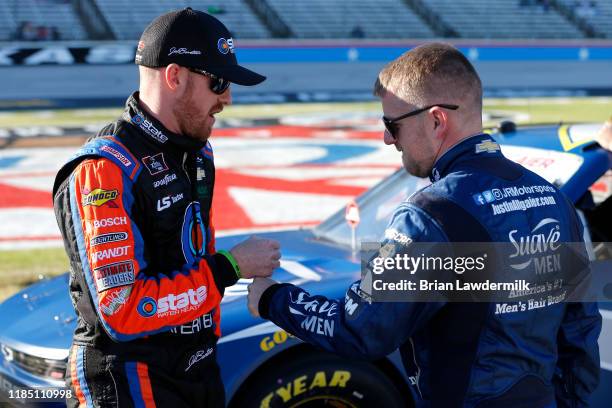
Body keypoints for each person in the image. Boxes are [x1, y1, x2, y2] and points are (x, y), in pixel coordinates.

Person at [248, 43, 601, 407]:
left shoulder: (432, 214)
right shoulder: (553, 199)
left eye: (392, 125)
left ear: (436, 120)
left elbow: (362, 329)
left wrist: (274, 300)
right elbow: (580, 336)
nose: (387, 138)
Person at [53, 8, 280, 407]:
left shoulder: (198, 151)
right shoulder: (104, 170)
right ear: (174, 77)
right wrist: (230, 268)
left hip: (195, 366)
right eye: (218, 82)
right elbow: (121, 309)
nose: (227, 98)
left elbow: (192, 258)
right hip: (128, 378)